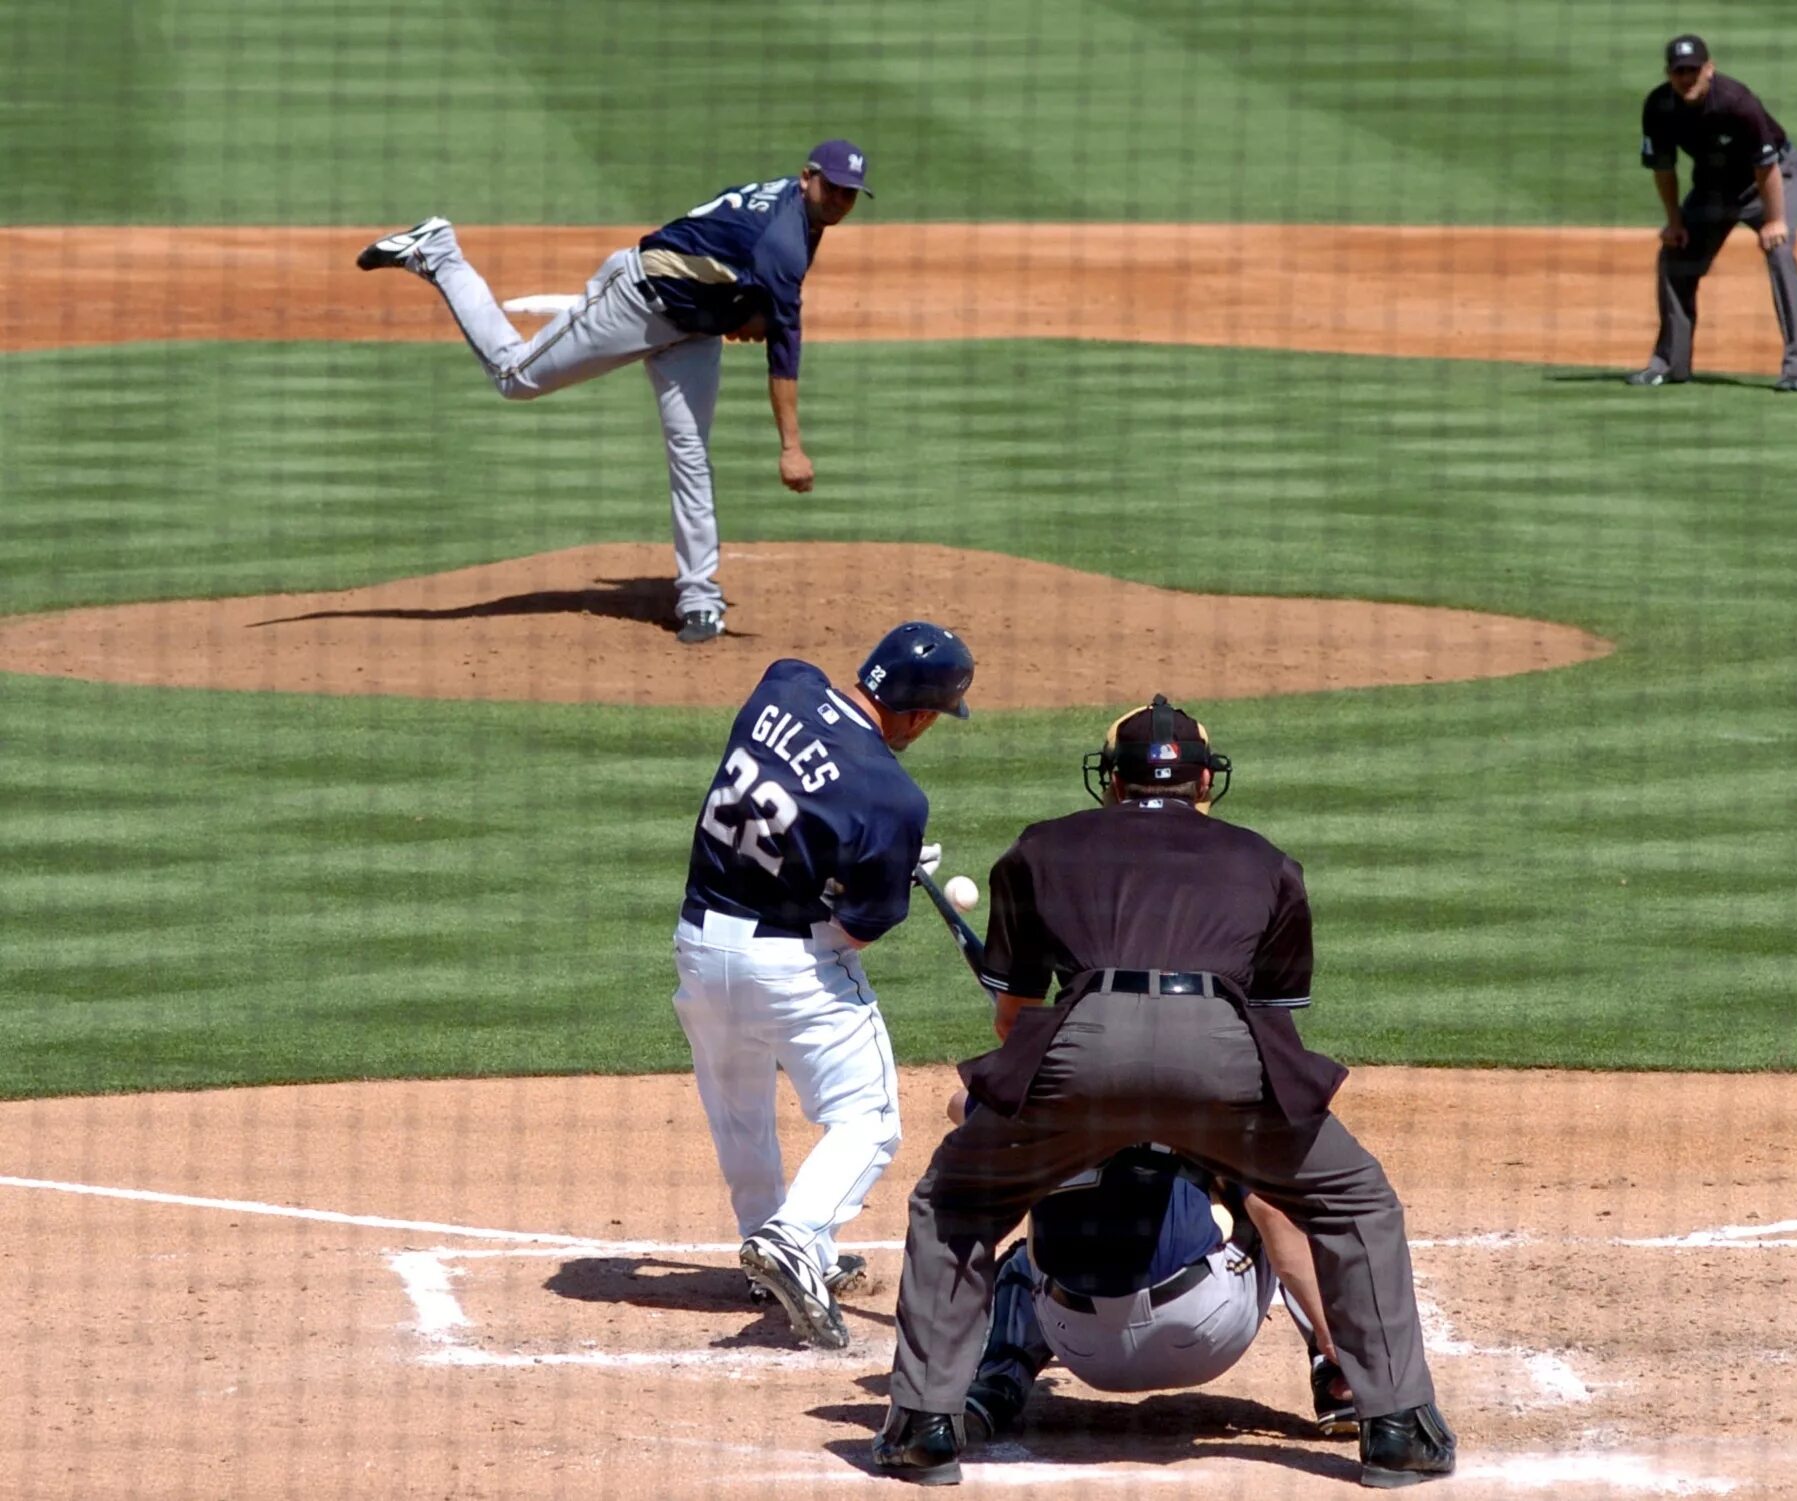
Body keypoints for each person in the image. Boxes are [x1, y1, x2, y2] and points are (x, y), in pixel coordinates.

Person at [873, 696, 1455, 1488]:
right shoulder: (1265, 860)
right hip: (1222, 1047)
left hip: (1083, 1041)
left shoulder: (1041, 849)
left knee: (954, 1200)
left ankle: (923, 1426)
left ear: (1110, 782)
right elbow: (1276, 1031)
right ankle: (1398, 1427)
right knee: (1355, 1199)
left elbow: (1015, 1020)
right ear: (1204, 782)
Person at [355, 140, 874, 642]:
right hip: (635, 301)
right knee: (515, 378)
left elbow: (727, 249)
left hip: (693, 330)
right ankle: (440, 251)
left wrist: (739, 309)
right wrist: (791, 447)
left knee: (691, 455)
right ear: (807, 177)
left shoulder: (795, 207)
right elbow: (784, 347)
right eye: (832, 188)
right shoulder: (783, 237)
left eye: (850, 194)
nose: (840, 201)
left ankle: (700, 599)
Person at [672, 621, 973, 1350]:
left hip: (697, 946)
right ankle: (796, 1235)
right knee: (868, 1119)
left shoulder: (783, 683)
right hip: (788, 964)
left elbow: (802, 768)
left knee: (739, 1112)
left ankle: (768, 1249)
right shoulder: (891, 796)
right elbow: (860, 928)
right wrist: (883, 867)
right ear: (922, 713)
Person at [946, 1088, 1358, 1446]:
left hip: (1081, 1349)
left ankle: (995, 1386)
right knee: (1280, 1201)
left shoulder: (1044, 1081)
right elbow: (1272, 1213)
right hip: (1202, 1334)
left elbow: (956, 1104)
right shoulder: (1205, 1091)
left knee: (1023, 1259)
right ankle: (1333, 1378)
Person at [1629, 35, 1797, 392]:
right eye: (1679, 71)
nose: (1687, 78)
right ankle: (1669, 364)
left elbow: (1767, 165)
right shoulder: (1659, 106)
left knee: (1780, 252)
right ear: (1668, 73)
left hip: (1771, 179)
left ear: (1708, 69)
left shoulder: (1735, 101)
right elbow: (1663, 168)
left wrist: (1775, 220)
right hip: (1714, 187)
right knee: (1675, 254)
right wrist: (1675, 221)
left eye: (1693, 71)